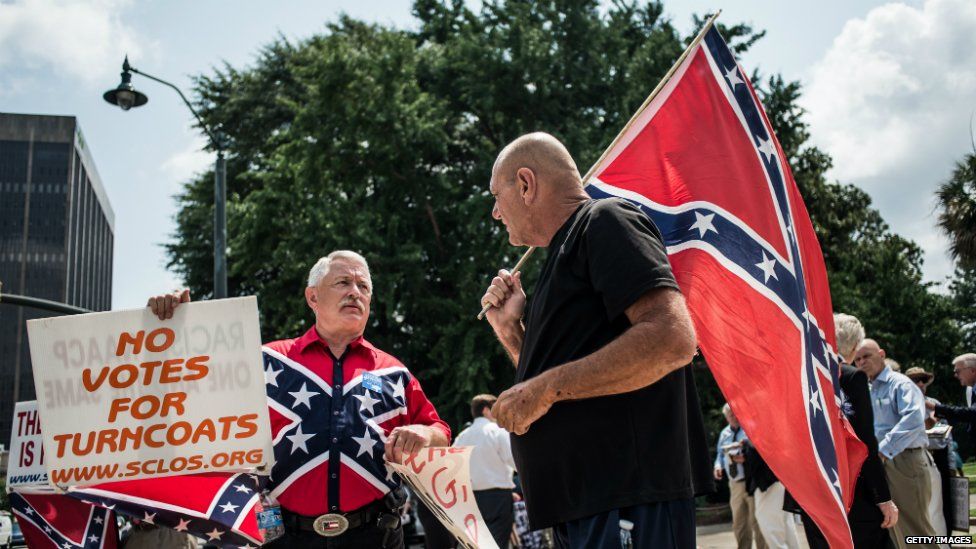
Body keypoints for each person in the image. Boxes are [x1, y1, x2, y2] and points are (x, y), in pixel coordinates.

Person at [479, 132, 712, 548]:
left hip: (626, 502)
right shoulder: (564, 253)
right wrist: (511, 332)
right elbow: (558, 381)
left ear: (527, 184)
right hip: (590, 505)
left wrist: (543, 389)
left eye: (497, 195)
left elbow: (672, 338)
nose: (495, 213)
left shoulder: (605, 220)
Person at [148, 250, 452, 549]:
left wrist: (425, 433)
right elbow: (194, 397)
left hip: (376, 535)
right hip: (284, 536)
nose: (355, 292)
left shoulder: (394, 372)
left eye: (363, 287)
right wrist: (176, 328)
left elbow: (441, 433)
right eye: (343, 282)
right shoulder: (265, 362)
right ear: (313, 298)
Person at [853, 339, 936, 549]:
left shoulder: (900, 384)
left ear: (881, 354)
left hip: (905, 460)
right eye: (857, 359)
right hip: (882, 461)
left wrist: (882, 450)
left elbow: (914, 419)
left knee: (916, 531)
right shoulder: (868, 389)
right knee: (893, 529)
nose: (862, 362)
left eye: (867, 356)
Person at [453, 394, 518, 548]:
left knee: (478, 543)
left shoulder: (462, 437)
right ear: (486, 411)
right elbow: (514, 460)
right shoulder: (497, 431)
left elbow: (454, 468)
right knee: (498, 543)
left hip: (471, 498)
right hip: (498, 497)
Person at [906, 367, 952, 540]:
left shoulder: (933, 402)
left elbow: (944, 432)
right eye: (916, 380)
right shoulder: (903, 401)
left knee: (941, 504)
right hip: (913, 456)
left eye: (923, 380)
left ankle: (943, 541)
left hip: (938, 455)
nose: (920, 384)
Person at [714, 404, 766, 549]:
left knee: (757, 521)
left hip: (751, 482)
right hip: (735, 483)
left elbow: (758, 453)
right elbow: (719, 454)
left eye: (735, 414)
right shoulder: (724, 434)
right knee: (739, 522)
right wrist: (718, 466)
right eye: (730, 415)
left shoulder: (749, 430)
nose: (734, 417)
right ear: (726, 418)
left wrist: (746, 457)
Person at [743, 442, 799, 549]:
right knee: (786, 526)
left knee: (771, 527)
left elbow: (759, 450)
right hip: (778, 479)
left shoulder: (758, 429)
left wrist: (746, 451)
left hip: (769, 482)